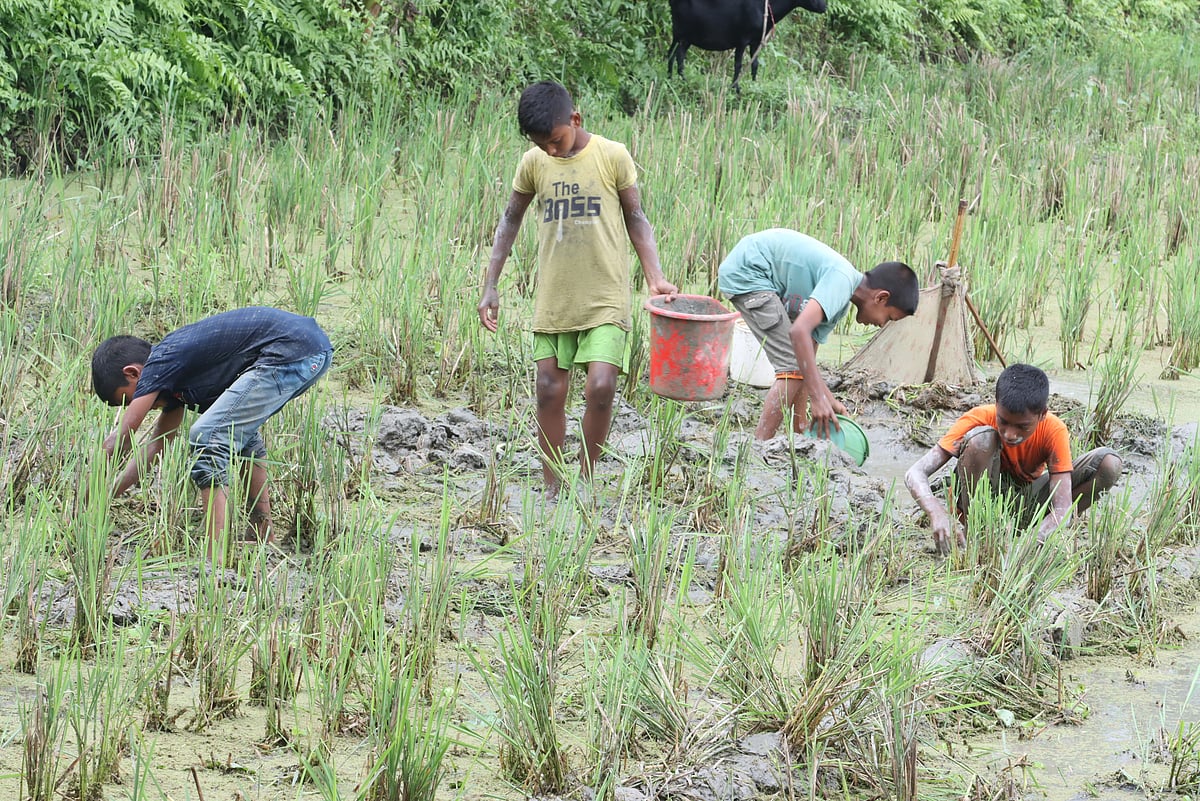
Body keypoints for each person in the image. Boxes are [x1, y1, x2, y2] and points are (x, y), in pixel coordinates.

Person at [477, 80, 678, 495]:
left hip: (604, 296)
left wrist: (655, 276)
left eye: (555, 140)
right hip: (555, 299)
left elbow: (636, 218)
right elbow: (509, 220)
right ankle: (553, 485)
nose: (551, 151)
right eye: (541, 144)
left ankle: (585, 479)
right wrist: (490, 284)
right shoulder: (533, 163)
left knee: (601, 386)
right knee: (549, 390)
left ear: (575, 119)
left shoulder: (611, 156)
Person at [91, 307, 333, 559]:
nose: (139, 406)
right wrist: (107, 498)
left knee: (207, 436)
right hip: (309, 349)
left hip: (291, 349)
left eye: (128, 400)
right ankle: (262, 533)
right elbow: (155, 448)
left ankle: (213, 558)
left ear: (133, 373)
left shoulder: (159, 362)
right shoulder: (176, 382)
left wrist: (86, 501)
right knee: (242, 438)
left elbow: (120, 439)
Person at [716, 229, 919, 440]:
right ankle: (760, 445)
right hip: (749, 272)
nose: (881, 324)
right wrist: (817, 397)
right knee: (792, 367)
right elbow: (799, 333)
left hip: (760, 277)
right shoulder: (841, 280)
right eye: (889, 318)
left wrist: (828, 398)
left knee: (799, 365)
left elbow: (808, 360)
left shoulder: (838, 306)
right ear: (881, 298)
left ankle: (799, 430)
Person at [905, 363, 1123, 554]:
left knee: (1109, 464)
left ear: (1042, 415)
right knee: (981, 439)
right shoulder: (979, 417)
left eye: (1022, 426)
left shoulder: (1053, 430)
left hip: (1023, 504)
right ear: (996, 405)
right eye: (1003, 421)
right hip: (978, 503)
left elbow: (1062, 506)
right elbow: (915, 473)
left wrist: (1031, 542)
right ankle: (975, 534)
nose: (1009, 434)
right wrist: (937, 513)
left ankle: (1027, 533)